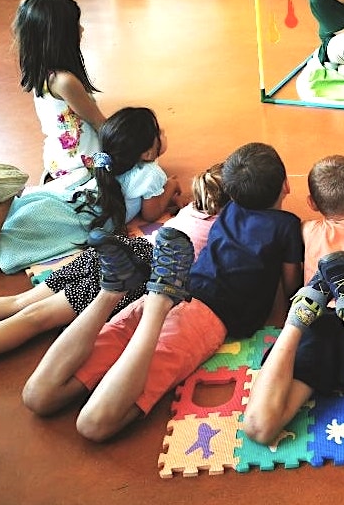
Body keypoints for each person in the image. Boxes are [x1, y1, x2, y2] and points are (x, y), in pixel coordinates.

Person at [22, 143, 304, 442]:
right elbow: (292, 286)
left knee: (38, 398)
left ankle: (113, 291)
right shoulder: (287, 225)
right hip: (205, 318)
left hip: (179, 286)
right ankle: (157, 301)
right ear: (286, 185)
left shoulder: (229, 210)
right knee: (93, 425)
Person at [0, 164, 228, 371]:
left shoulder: (194, 207)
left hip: (119, 249)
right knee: (36, 318)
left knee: (20, 303)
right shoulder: (224, 228)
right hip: (139, 272)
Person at [243, 155, 344, 450]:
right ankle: (318, 315)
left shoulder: (307, 229)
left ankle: (301, 316)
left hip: (320, 321)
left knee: (259, 428)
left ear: (311, 203)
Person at [0, 107, 184, 275]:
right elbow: (151, 213)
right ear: (148, 153)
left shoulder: (108, 161)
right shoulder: (151, 173)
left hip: (56, 203)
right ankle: (1, 202)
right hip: (62, 225)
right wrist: (171, 186)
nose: (163, 134)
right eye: (159, 132)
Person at [13, 0, 107, 181]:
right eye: (76, 25)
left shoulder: (43, 72)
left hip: (58, 159)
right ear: (60, 36)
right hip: (81, 164)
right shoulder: (64, 81)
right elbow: (99, 123)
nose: (82, 29)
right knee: (146, 171)